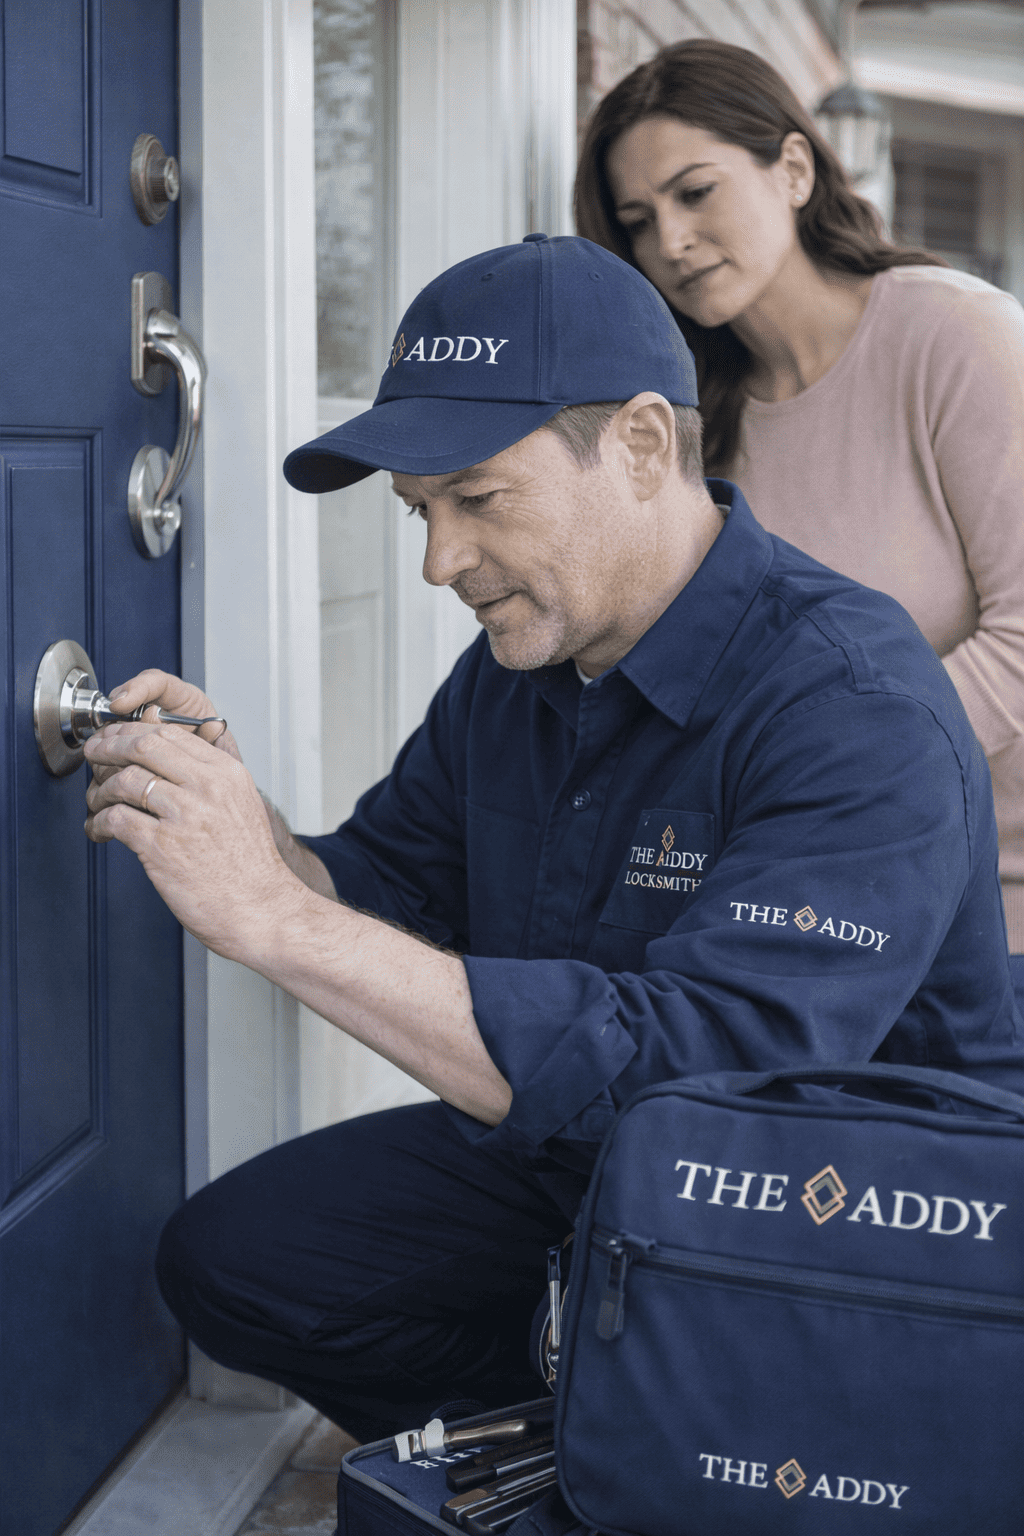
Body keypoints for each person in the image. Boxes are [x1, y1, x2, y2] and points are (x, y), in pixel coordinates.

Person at [83, 235, 1023, 1444]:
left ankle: (675, 1448)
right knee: (238, 1262)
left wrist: (275, 918)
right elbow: (385, 882)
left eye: (477, 499)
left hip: (834, 1201)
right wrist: (252, 842)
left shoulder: (850, 703)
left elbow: (691, 1080)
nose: (438, 562)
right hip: (581, 1163)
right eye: (421, 511)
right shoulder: (521, 665)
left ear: (639, 445)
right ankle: (589, 1455)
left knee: (749, 1414)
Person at [574, 38, 1024, 1008]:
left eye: (696, 193)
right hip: (794, 908)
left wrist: (825, 783)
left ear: (792, 168)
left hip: (996, 918)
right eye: (639, 221)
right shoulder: (695, 427)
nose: (671, 244)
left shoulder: (955, 337)